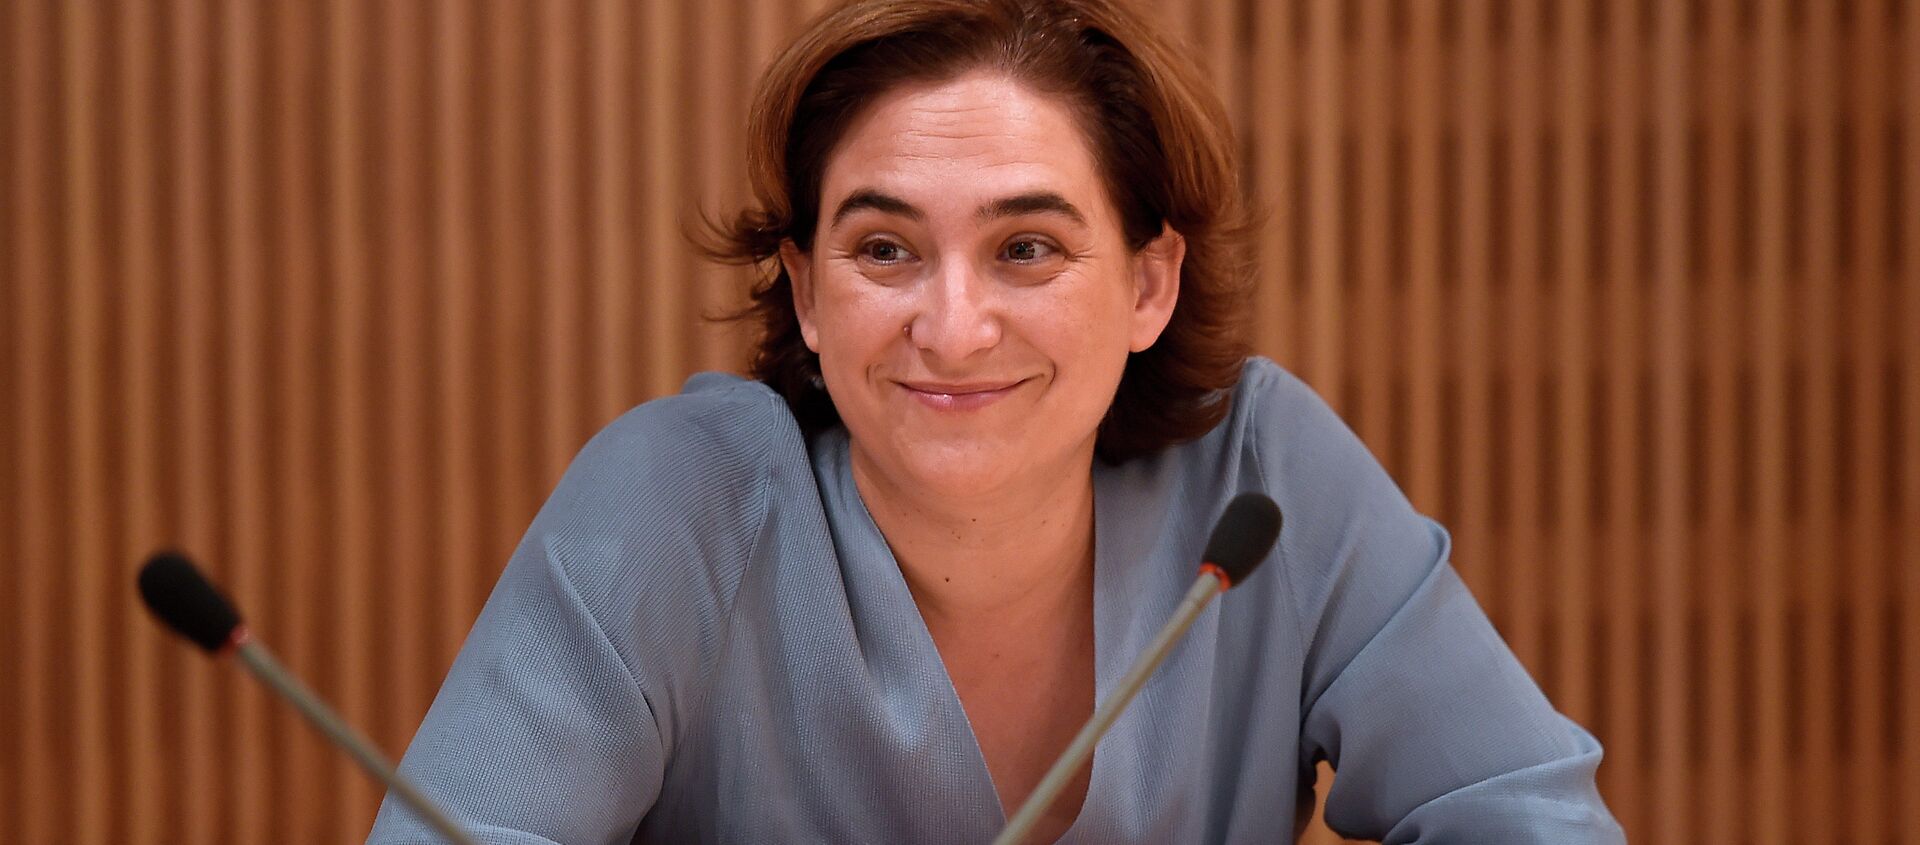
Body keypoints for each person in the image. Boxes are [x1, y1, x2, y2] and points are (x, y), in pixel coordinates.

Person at [368, 0, 1623, 841]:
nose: (954, 325)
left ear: (1148, 282)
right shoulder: (676, 504)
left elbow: (1527, 812)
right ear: (805, 291)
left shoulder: (1262, 478)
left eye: (1027, 247)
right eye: (885, 248)